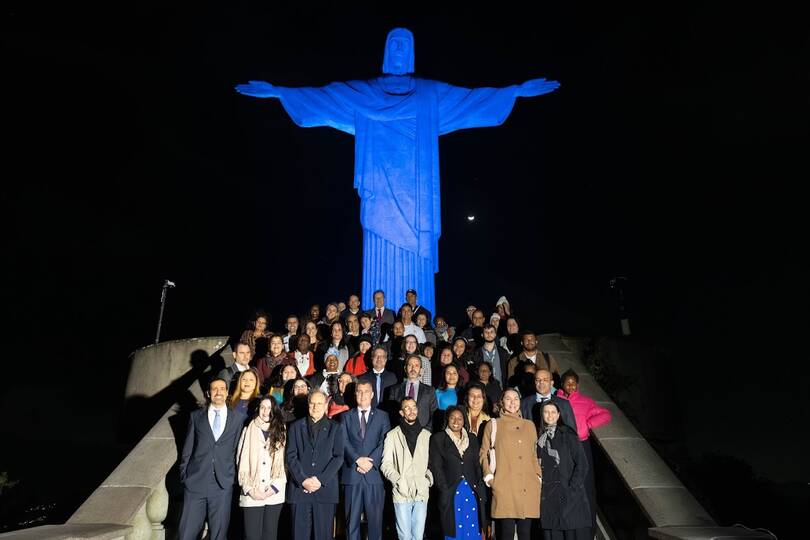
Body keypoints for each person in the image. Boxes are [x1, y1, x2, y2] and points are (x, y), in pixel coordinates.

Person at [178, 378, 246, 540]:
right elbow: (187, 449)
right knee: (186, 533)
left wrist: (232, 477)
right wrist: (184, 476)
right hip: (195, 482)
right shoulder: (196, 417)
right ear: (208, 393)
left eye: (222, 388)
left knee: (219, 534)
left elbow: (237, 450)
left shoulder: (237, 419)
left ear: (227, 392)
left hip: (222, 485)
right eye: (214, 389)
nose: (218, 392)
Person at [479, 389, 541, 540]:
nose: (512, 402)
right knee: (506, 533)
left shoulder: (529, 425)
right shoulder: (493, 424)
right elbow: (483, 453)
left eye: (516, 399)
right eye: (508, 399)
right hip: (504, 485)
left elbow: (534, 454)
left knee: (525, 534)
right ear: (501, 402)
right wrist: (489, 477)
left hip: (528, 485)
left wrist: (538, 476)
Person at [556, 369, 611, 535]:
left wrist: (588, 425)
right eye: (567, 383)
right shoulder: (555, 400)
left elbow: (606, 415)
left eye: (573, 383)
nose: (571, 386)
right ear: (562, 384)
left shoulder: (586, 402)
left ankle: (588, 529)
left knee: (585, 485)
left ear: (577, 385)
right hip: (562, 447)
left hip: (581, 446)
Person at [286, 390, 345, 540]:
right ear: (308, 405)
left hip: (325, 492)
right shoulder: (295, 427)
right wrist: (303, 480)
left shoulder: (336, 427)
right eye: (312, 403)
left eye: (319, 403)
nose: (315, 407)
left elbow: (338, 457)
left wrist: (320, 480)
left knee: (324, 536)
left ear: (326, 405)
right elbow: (291, 456)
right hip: (300, 491)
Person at [340, 381, 391, 540]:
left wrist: (371, 462)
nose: (363, 395)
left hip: (374, 476)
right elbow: (343, 441)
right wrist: (357, 459)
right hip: (352, 476)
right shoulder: (345, 416)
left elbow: (385, 441)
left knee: (375, 524)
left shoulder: (383, 416)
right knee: (351, 524)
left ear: (372, 394)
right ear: (355, 394)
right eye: (359, 391)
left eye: (366, 391)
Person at [536, 401, 591, 540]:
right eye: (546, 412)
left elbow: (582, 464)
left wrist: (572, 489)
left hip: (571, 498)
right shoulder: (539, 439)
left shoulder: (568, 434)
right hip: (549, 499)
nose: (550, 415)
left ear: (559, 415)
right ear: (542, 415)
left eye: (553, 412)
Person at [430, 406, 486, 540]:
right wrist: (444, 489)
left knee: (472, 527)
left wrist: (480, 486)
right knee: (454, 529)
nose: (456, 421)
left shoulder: (472, 439)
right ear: (447, 420)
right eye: (452, 418)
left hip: (472, 491)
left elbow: (477, 465)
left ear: (464, 420)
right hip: (451, 491)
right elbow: (436, 467)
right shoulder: (438, 438)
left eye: (460, 418)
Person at [381, 397, 433, 540]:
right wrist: (398, 481)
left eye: (414, 407)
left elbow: (432, 464)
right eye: (407, 408)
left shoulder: (427, 436)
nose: (411, 411)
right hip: (401, 493)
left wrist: (427, 480)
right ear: (401, 412)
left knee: (418, 535)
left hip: (421, 492)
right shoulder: (392, 435)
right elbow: (386, 464)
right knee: (404, 536)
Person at [237, 396, 287, 540]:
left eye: (269, 408)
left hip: (274, 493)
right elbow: (240, 460)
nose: (265, 411)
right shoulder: (248, 428)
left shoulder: (282, 430)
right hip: (252, 491)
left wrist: (274, 487)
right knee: (252, 535)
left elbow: (285, 461)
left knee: (270, 535)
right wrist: (249, 489)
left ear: (274, 410)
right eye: (262, 407)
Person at [389, 355, 438, 430]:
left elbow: (434, 414)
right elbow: (391, 414)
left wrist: (426, 431)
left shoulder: (430, 391)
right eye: (410, 365)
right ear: (405, 368)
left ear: (421, 370)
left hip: (423, 432)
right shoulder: (395, 390)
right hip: (400, 432)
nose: (413, 368)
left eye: (416, 365)